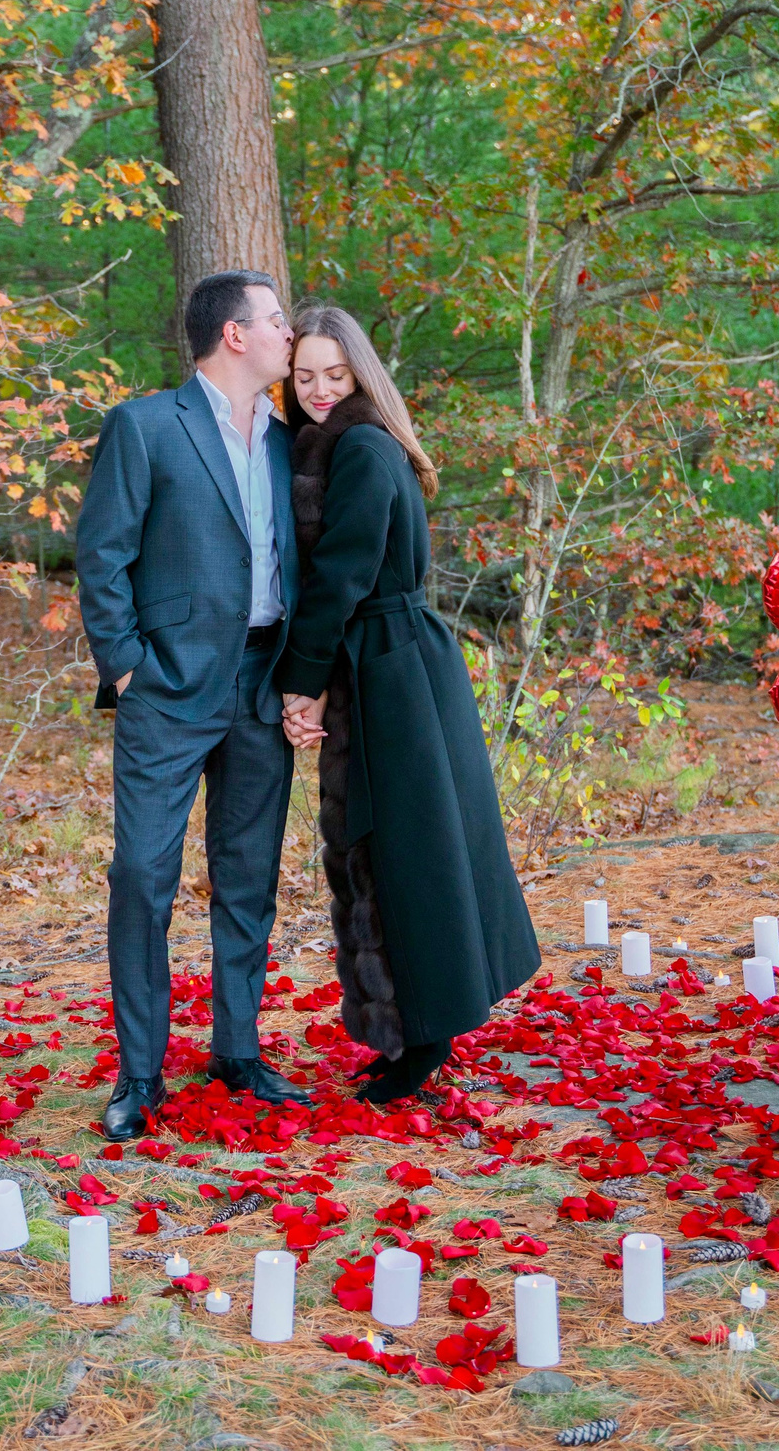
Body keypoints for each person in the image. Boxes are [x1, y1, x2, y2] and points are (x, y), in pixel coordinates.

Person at [277, 305, 541, 1104]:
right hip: (395, 659)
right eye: (305, 376)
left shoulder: (358, 447)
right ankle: (421, 1026)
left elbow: (342, 575)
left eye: (335, 374)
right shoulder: (351, 442)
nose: (320, 390)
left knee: (403, 852)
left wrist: (301, 681)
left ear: (361, 374)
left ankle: (424, 1035)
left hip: (389, 666)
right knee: (415, 847)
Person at [74, 270, 309, 1141]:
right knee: (142, 874)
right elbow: (101, 554)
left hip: (261, 681)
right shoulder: (145, 426)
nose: (290, 333)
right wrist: (127, 668)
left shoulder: (291, 440)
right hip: (166, 689)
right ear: (235, 335)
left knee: (248, 877)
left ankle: (237, 1053)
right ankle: (140, 1073)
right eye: (277, 320)